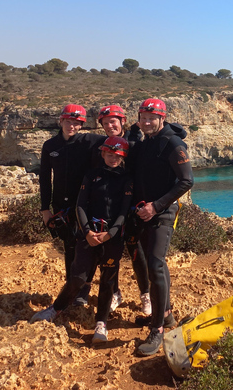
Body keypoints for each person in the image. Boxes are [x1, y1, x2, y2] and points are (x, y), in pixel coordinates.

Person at [31, 136, 133, 344]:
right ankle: (56, 309)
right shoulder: (91, 175)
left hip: (112, 238)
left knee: (107, 281)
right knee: (78, 277)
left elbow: (124, 211)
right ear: (103, 154)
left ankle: (101, 323)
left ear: (123, 157)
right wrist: (87, 232)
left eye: (118, 155)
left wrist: (110, 234)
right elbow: (80, 206)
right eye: (109, 154)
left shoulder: (127, 179)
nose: (113, 158)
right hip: (88, 234)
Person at [132, 98, 194, 356]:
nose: (147, 122)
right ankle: (165, 314)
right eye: (143, 118)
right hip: (144, 211)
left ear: (162, 118)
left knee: (156, 264)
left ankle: (158, 329)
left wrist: (156, 207)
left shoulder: (173, 143)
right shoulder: (147, 141)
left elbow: (186, 181)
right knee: (151, 263)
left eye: (151, 118)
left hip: (163, 212)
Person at [39, 104, 104, 305]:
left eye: (77, 123)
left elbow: (119, 140)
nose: (72, 126)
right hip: (61, 207)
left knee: (86, 246)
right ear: (61, 121)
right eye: (68, 122)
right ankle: (71, 286)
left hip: (85, 205)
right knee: (69, 247)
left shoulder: (91, 142)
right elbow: (44, 178)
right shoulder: (50, 146)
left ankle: (84, 288)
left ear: (82, 124)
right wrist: (45, 209)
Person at [96, 104, 151, 317]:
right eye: (105, 123)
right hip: (110, 208)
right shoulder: (102, 145)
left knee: (137, 253)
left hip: (134, 207)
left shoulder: (135, 142)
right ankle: (115, 293)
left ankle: (145, 294)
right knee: (110, 254)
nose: (110, 126)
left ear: (122, 121)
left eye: (114, 122)